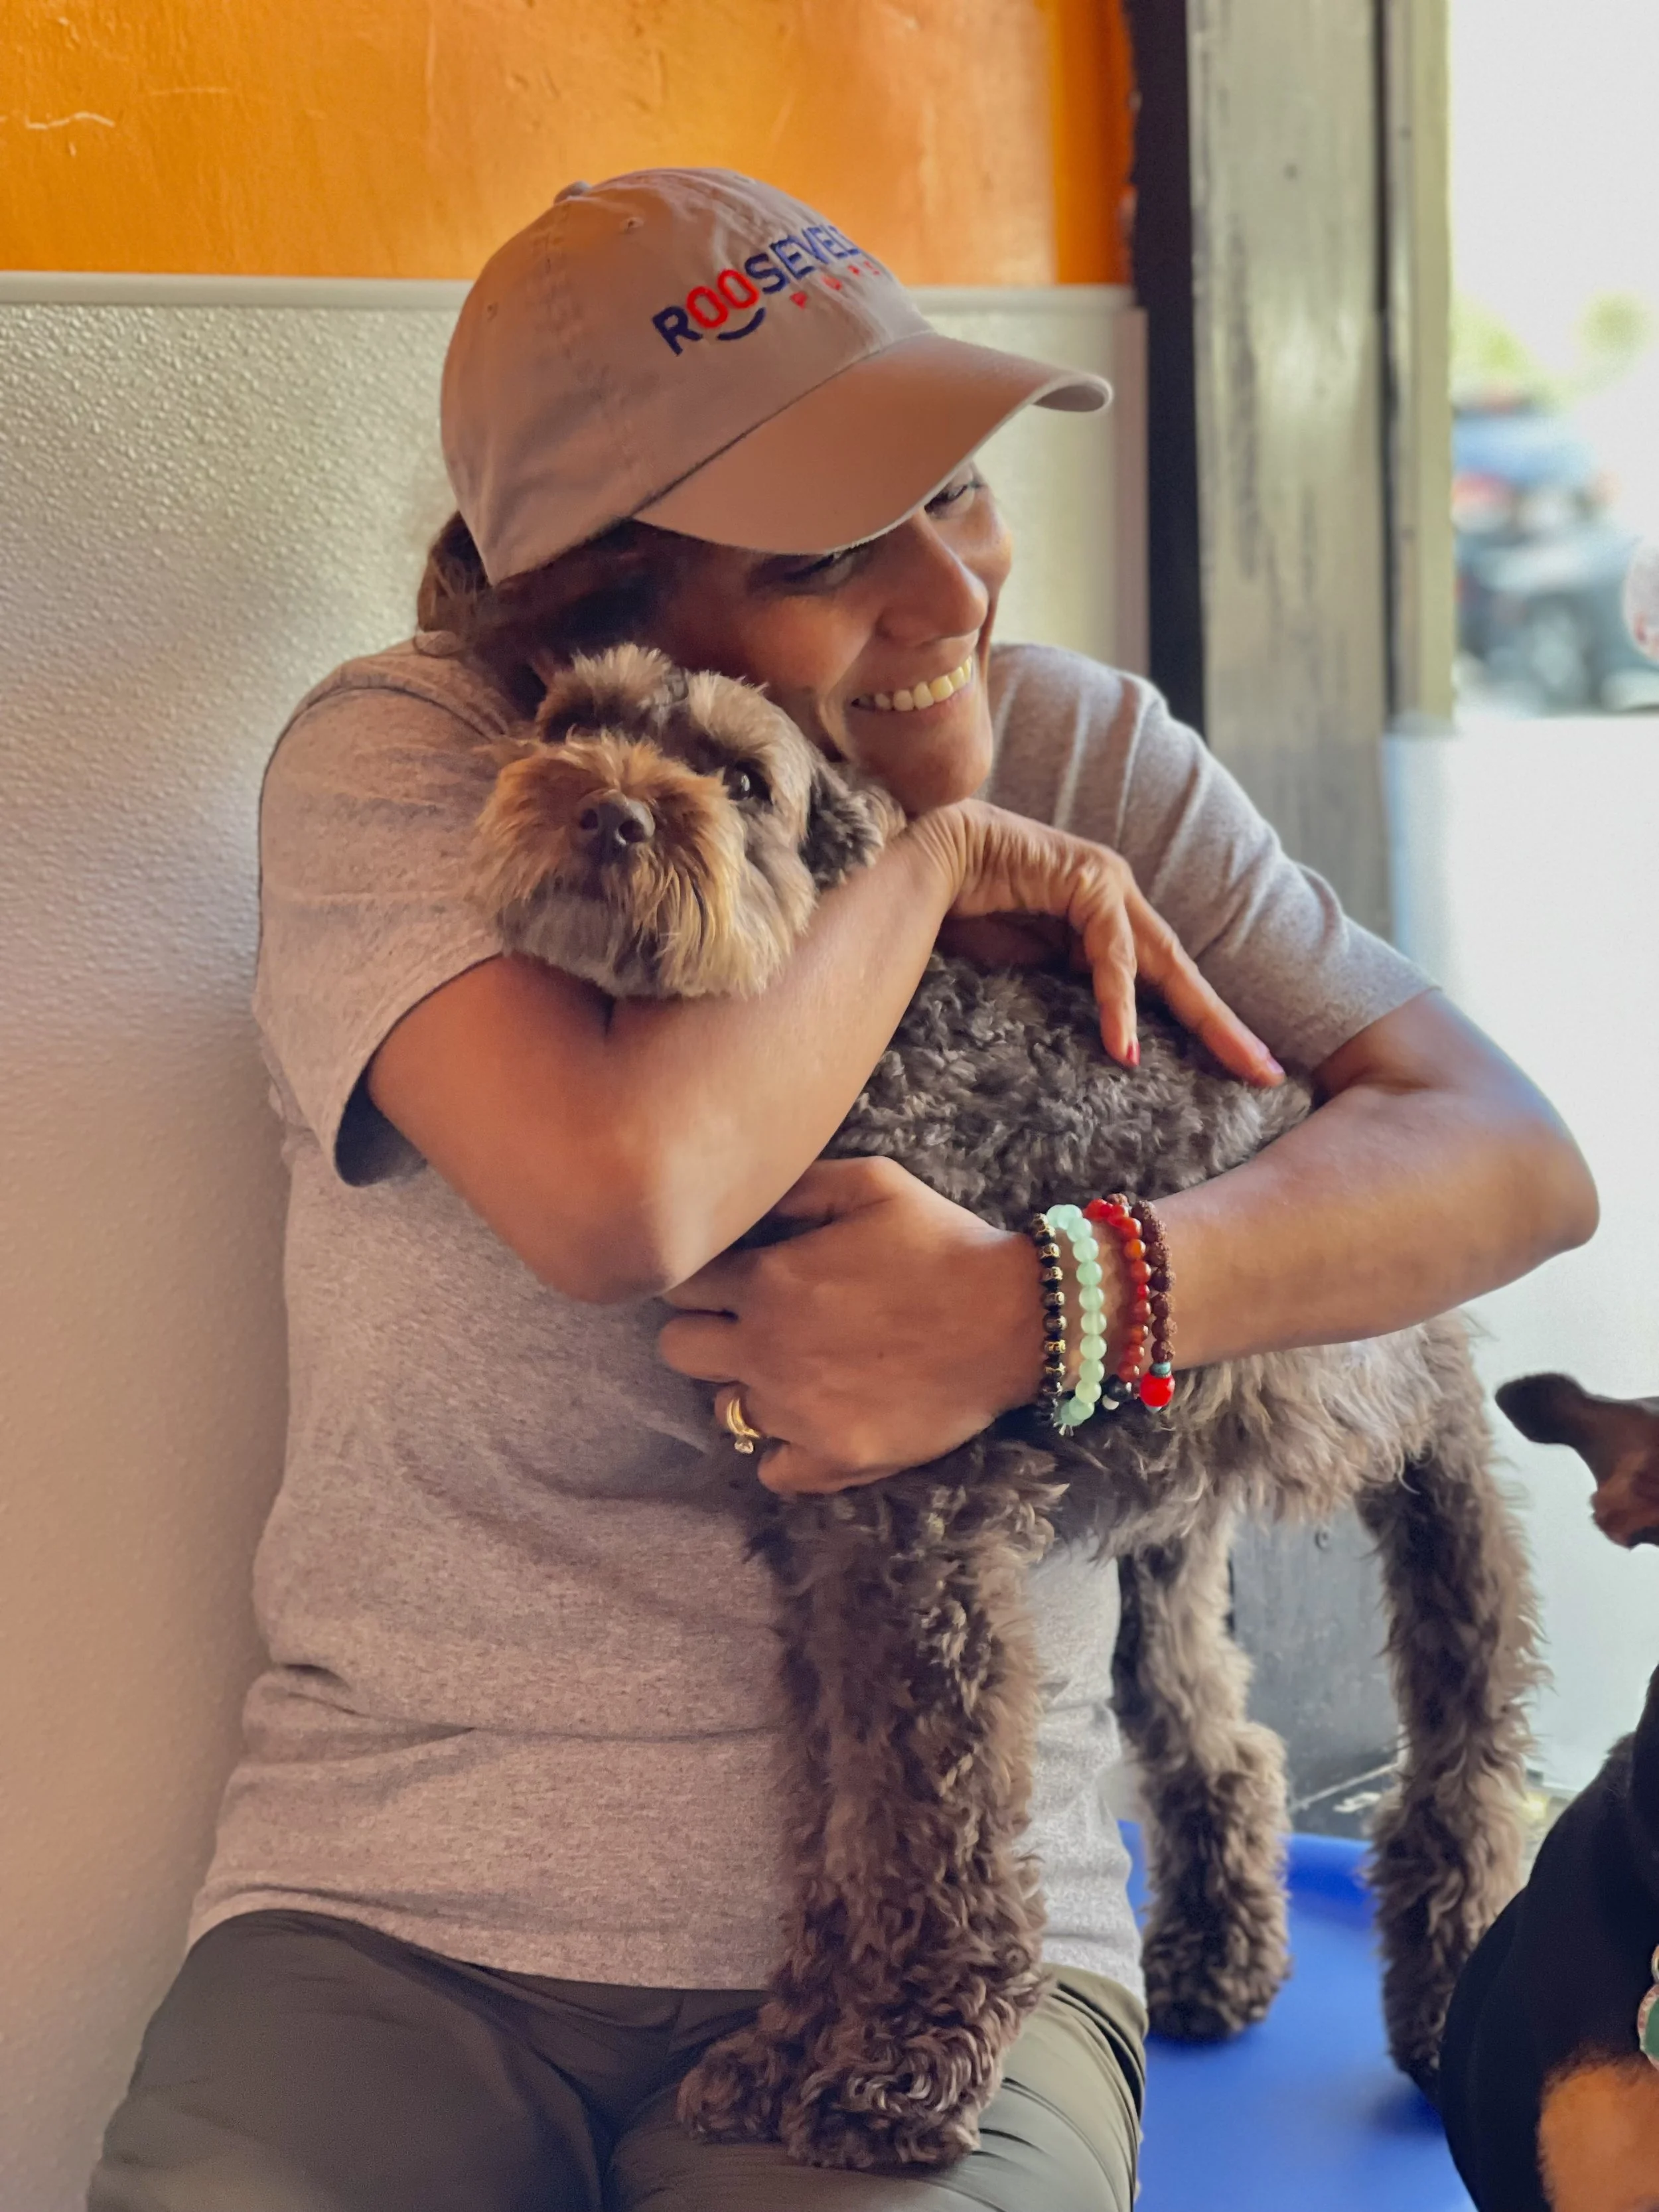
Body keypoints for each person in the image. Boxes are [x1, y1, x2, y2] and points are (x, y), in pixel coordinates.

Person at [89, 169, 1598, 2212]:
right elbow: (616, 1194)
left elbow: (1505, 1156)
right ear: (591, 618)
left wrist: (1058, 1299)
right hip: (397, 1921)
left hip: (955, 1958)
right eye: (826, 551)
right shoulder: (415, 769)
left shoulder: (1082, 741)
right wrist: (922, 869)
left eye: (959, 491)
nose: (955, 593)